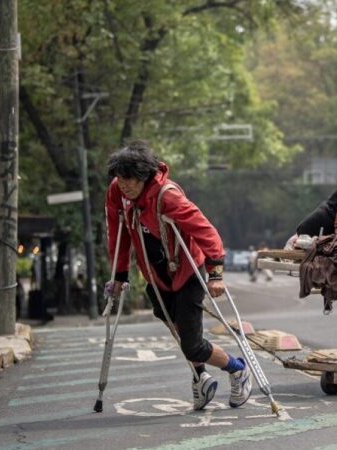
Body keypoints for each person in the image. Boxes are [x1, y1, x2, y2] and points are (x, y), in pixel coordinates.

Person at [105, 140, 251, 411]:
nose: (124, 185)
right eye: (120, 178)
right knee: (178, 330)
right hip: (155, 275)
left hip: (186, 272)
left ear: (145, 176)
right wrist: (120, 274)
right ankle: (201, 378)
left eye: (130, 180)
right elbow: (118, 231)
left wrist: (215, 273)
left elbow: (207, 232)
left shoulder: (167, 195)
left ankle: (237, 369)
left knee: (193, 346)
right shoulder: (117, 192)